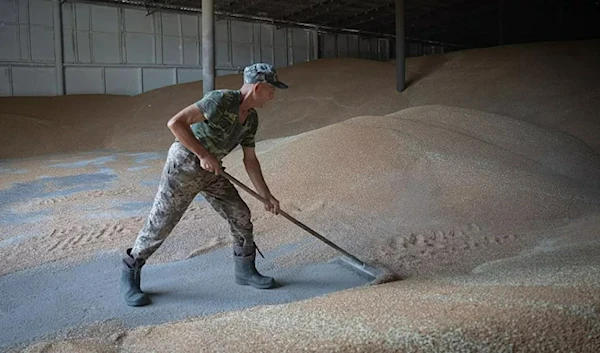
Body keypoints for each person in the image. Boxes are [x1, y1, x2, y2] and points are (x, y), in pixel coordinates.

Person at [120, 63, 289, 307]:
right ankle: (130, 273)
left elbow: (250, 160)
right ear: (258, 87)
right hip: (184, 166)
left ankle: (245, 271)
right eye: (272, 90)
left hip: (212, 172)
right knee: (160, 225)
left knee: (240, 214)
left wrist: (266, 196)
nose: (273, 96)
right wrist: (203, 154)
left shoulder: (251, 119)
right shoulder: (219, 100)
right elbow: (176, 123)